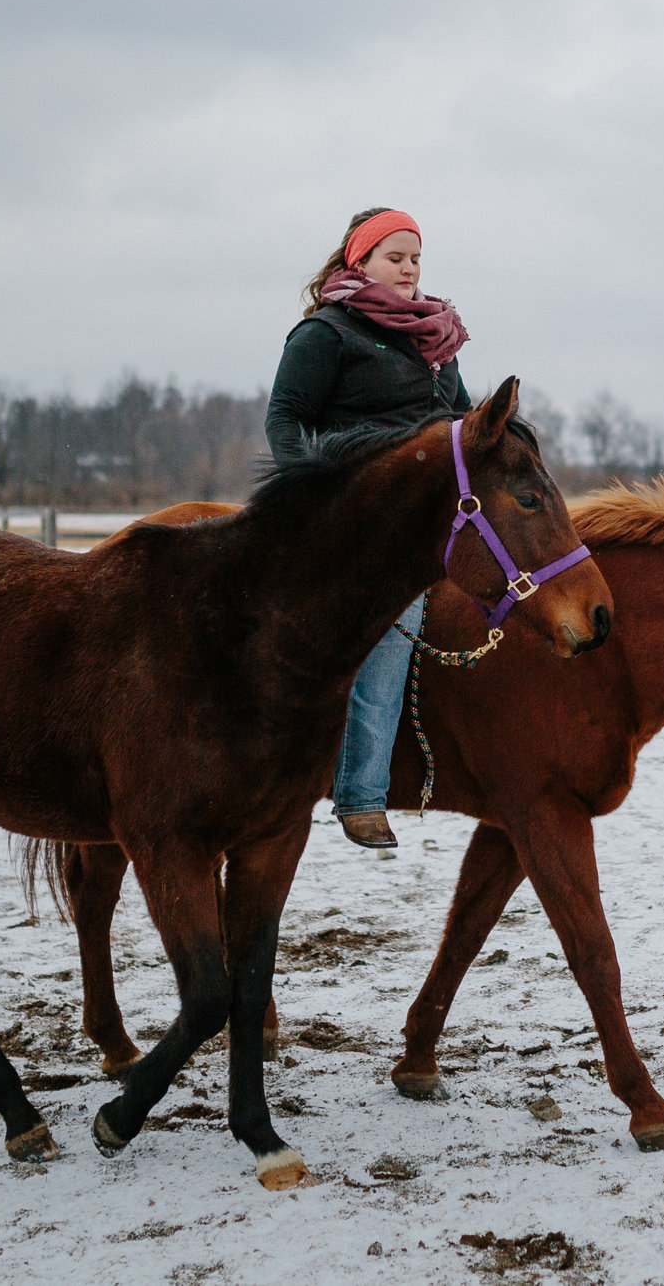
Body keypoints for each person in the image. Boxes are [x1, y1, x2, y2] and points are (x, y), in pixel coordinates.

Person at [266, 207, 472, 849]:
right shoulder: (325, 334)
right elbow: (285, 420)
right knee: (390, 635)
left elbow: (461, 425)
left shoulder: (436, 338)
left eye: (416, 258)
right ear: (360, 261)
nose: (409, 270)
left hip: (433, 516)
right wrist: (316, 500)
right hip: (355, 521)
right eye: (395, 257)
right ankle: (360, 795)